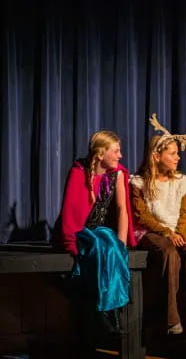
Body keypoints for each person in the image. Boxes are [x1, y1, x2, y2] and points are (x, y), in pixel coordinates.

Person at [130, 113, 186, 335]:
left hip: (176, 228)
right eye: (173, 154)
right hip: (151, 231)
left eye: (177, 154)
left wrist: (179, 232)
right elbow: (142, 216)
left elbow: (184, 213)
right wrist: (167, 233)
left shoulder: (181, 182)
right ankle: (170, 319)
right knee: (168, 252)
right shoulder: (138, 183)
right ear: (157, 156)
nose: (178, 158)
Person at [54, 130, 136, 334]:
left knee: (111, 244)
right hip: (81, 231)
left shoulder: (117, 174)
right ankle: (101, 311)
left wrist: (122, 243)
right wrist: (71, 244)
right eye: (116, 151)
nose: (120, 156)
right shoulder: (79, 172)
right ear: (101, 154)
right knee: (101, 245)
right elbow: (70, 212)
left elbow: (121, 209)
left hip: (100, 229)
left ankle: (113, 310)